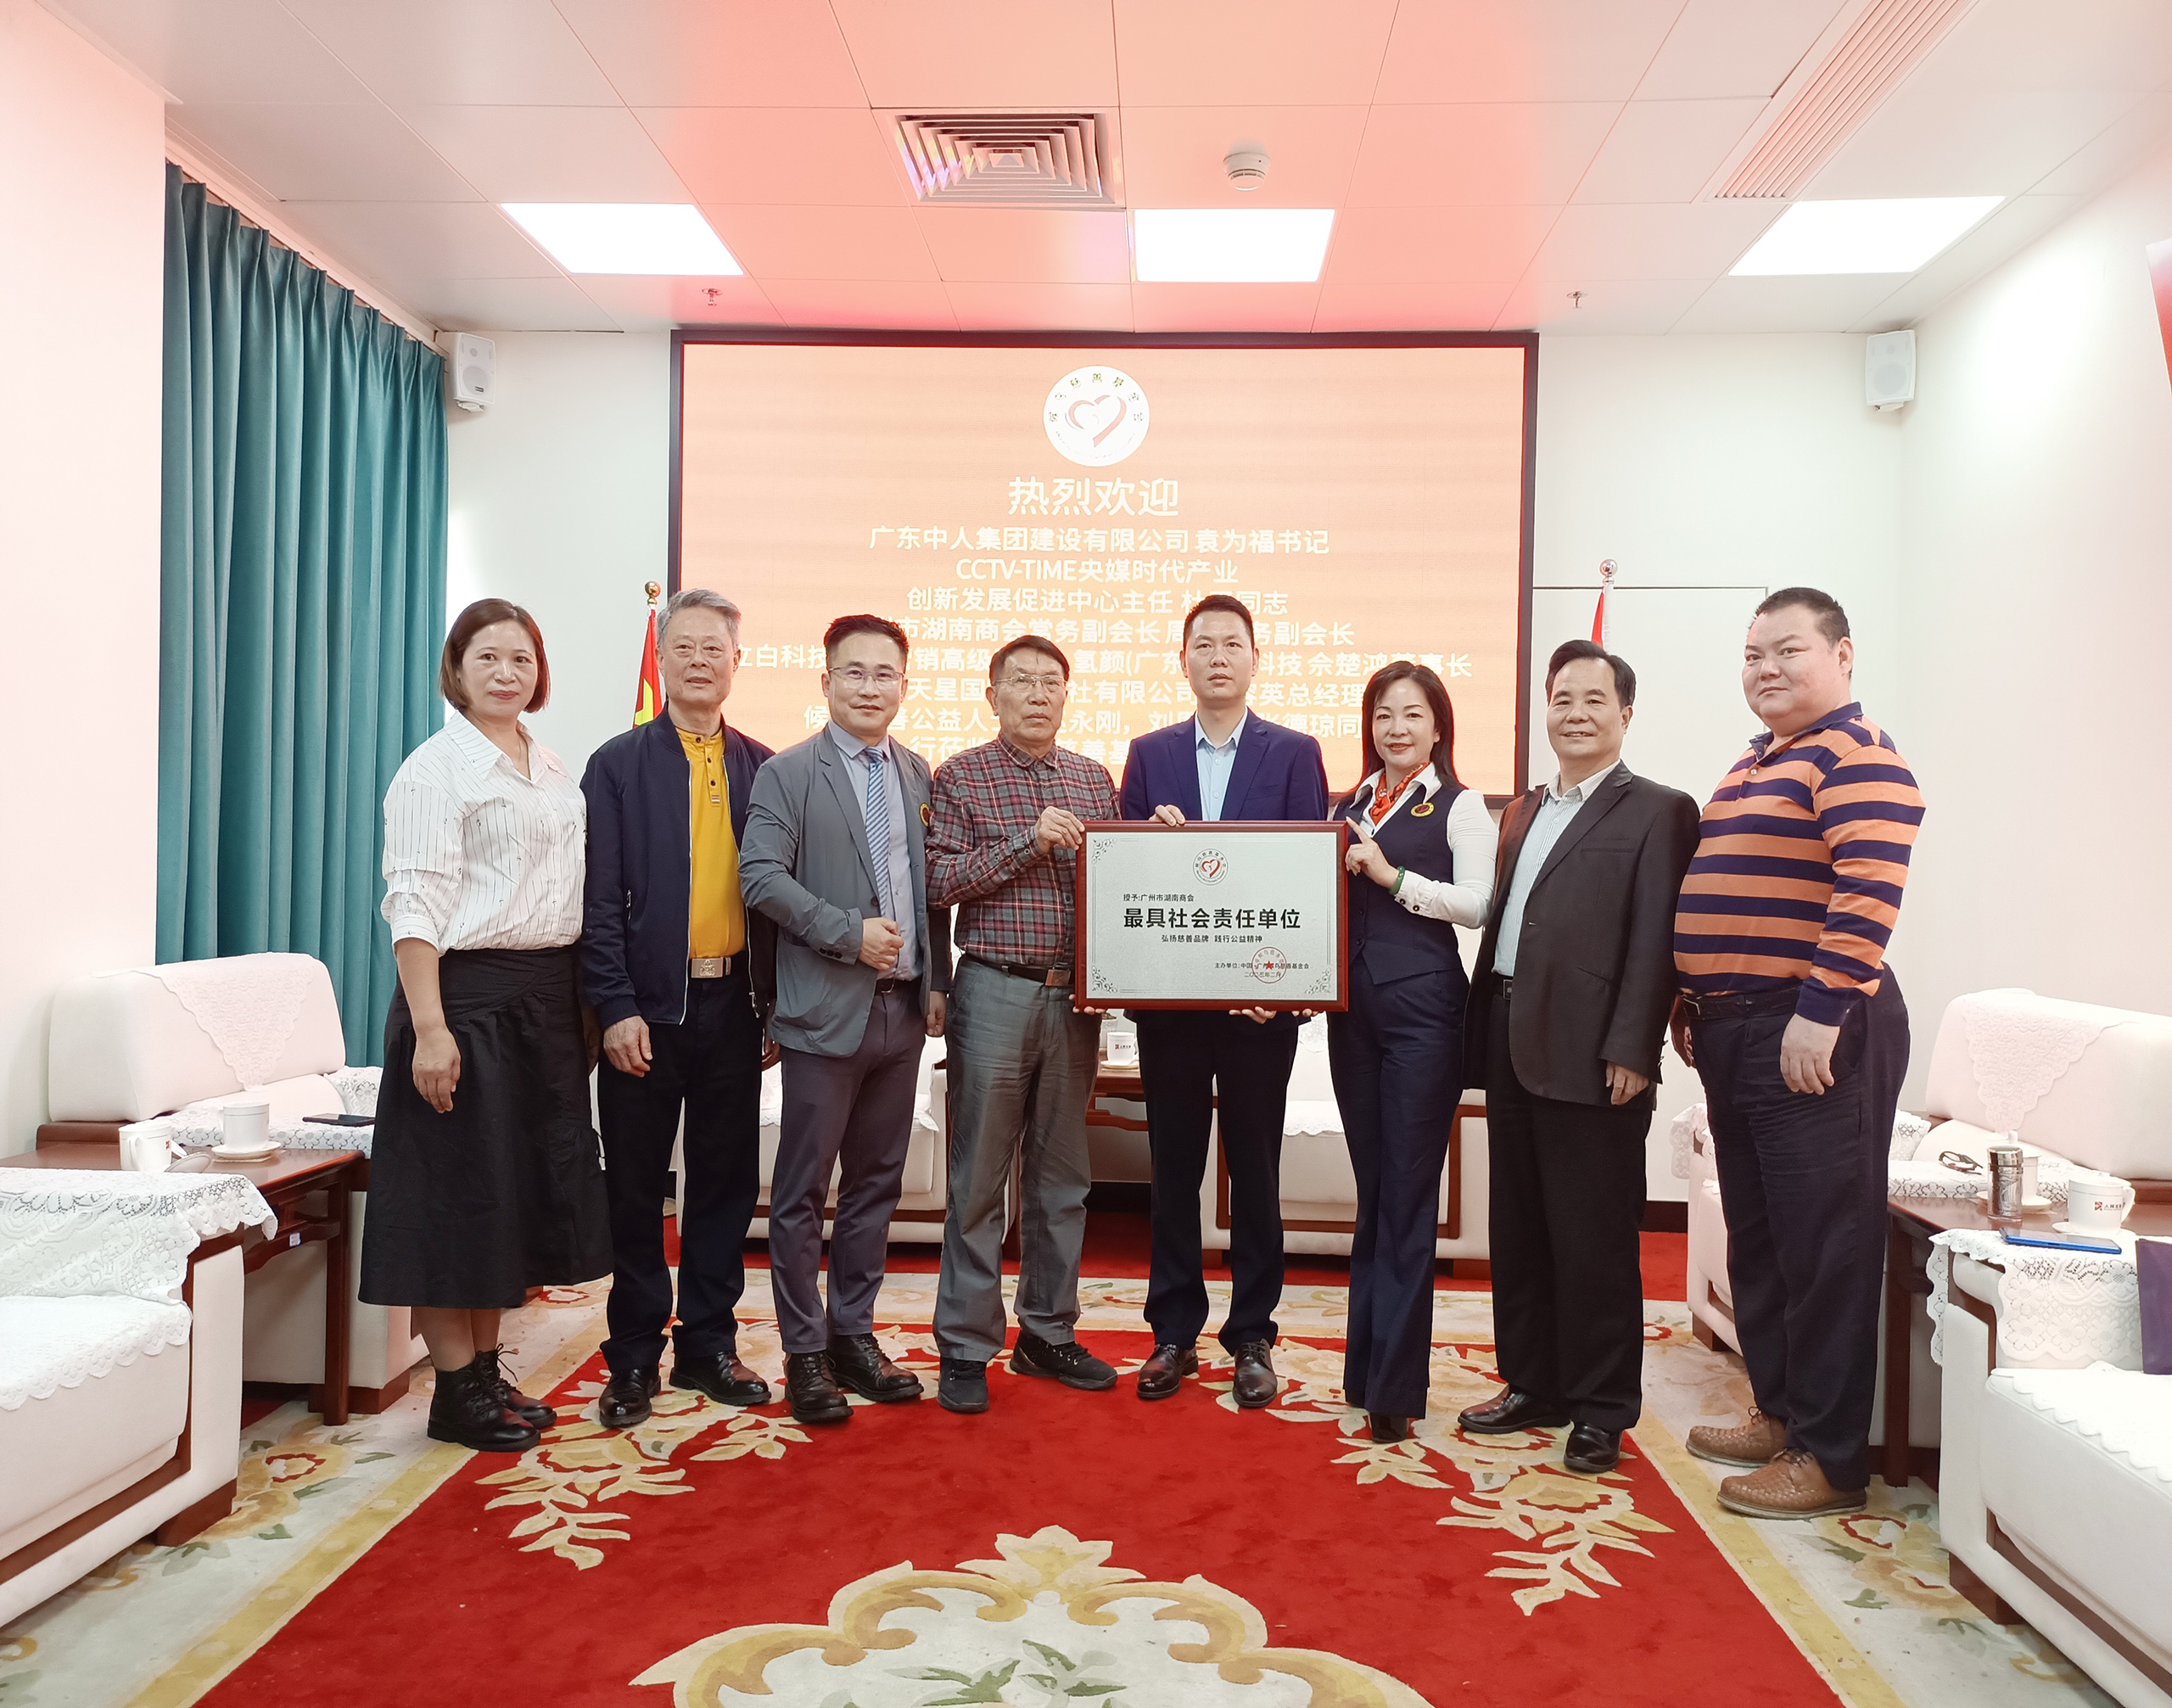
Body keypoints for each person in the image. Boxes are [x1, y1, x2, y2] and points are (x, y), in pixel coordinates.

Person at [1671, 588, 1923, 1520]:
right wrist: (1691, 995)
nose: (1765, 668)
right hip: (1737, 1026)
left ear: (1842, 656)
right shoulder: (1756, 761)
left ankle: (1828, 1456)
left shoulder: (1858, 755)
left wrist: (1821, 1011)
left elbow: (1867, 887)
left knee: (1825, 1246)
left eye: (1787, 649)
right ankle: (1779, 1414)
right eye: (1752, 654)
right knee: (1764, 1235)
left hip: (1809, 1025)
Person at [361, 598, 611, 1453]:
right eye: (488, 658)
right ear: (457, 670)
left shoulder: (551, 764)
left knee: (510, 1198)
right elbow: (415, 905)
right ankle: (455, 1392)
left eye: (521, 659)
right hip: (462, 1003)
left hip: (543, 1002)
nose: (507, 673)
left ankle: (484, 1372)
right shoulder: (433, 772)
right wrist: (431, 1029)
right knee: (453, 1199)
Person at [1457, 641, 1699, 1472]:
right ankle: (1533, 1382)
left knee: (1593, 1238)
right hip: (1510, 1035)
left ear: (1625, 714)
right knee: (1520, 1226)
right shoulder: (1524, 809)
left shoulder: (1659, 810)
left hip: (1596, 1055)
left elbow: (1656, 940)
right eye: (1562, 699)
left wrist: (1633, 1044)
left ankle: (1600, 1408)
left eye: (1594, 700)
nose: (1575, 714)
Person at [1118, 593, 1330, 1407]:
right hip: (1172, 1009)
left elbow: (1308, 876)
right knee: (1172, 1171)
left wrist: (1288, 990)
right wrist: (1150, 836)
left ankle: (1251, 1335)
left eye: (1231, 643)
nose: (1217, 656)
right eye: (1202, 644)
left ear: (1254, 658)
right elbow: (1126, 874)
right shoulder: (1149, 754)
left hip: (1258, 1013)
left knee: (1256, 1170)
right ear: (1183, 661)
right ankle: (1172, 1332)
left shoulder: (1295, 753)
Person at [740, 614, 951, 1426]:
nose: (870, 686)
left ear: (904, 684)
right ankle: (804, 1350)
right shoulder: (788, 773)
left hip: (903, 1014)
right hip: (823, 1014)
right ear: (826, 681)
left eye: (885, 673)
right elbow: (760, 876)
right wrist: (846, 932)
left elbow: (930, 890)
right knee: (802, 1190)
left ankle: (853, 1335)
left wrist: (937, 979)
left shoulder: (919, 773)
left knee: (875, 1185)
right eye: (854, 672)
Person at [580, 588, 776, 1430]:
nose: (700, 660)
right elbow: (595, 903)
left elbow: (777, 901)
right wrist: (614, 1006)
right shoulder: (617, 764)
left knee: (726, 1185)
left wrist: (773, 1007)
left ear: (737, 661)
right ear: (661, 660)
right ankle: (631, 1358)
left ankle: (707, 1346)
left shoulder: (764, 766)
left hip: (734, 1003)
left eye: (714, 648)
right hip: (646, 1012)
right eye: (684, 647)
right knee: (633, 1189)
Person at [924, 636, 1120, 1415]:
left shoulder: (1094, 779)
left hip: (1074, 999)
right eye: (1022, 682)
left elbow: (1121, 882)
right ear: (993, 694)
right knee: (979, 1179)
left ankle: (1047, 1331)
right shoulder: (961, 775)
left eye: (1051, 683)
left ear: (1066, 696)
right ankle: (966, 1345)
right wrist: (1027, 842)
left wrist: (1161, 838)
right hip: (994, 990)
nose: (1038, 694)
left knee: (1062, 1179)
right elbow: (938, 879)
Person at [1328, 662, 1497, 1443]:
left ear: (1438, 726)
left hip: (1425, 1016)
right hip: (1352, 1017)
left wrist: (1393, 876)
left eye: (1412, 714)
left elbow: (1477, 904)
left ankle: (1394, 1389)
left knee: (1407, 1195)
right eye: (1383, 715)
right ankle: (1365, 1370)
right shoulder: (1349, 804)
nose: (1396, 728)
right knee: (1375, 1191)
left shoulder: (1462, 806)